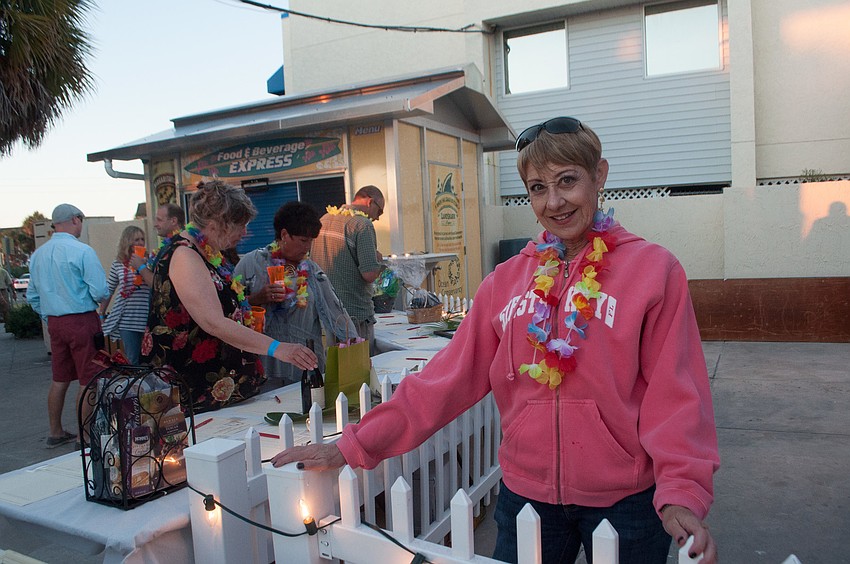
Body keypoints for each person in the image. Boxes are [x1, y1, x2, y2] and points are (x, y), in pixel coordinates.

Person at [272, 118, 720, 563]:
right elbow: (443, 381)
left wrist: (682, 490)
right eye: (538, 187)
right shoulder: (505, 282)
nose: (555, 201)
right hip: (527, 498)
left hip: (627, 502)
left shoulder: (654, 271)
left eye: (568, 181)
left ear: (598, 175)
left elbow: (677, 393)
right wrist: (350, 445)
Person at [141, 180, 318, 414]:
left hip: (216, 390)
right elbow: (213, 322)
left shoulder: (207, 252)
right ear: (216, 224)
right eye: (240, 226)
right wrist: (278, 348)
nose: (245, 233)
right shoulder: (184, 255)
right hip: (192, 392)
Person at [234, 201, 358, 386]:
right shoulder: (251, 264)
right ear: (284, 235)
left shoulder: (312, 271)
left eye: (310, 241)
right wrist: (257, 299)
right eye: (303, 240)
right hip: (264, 365)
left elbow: (336, 310)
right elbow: (228, 311)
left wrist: (355, 348)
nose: (307, 247)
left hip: (303, 366)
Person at [27, 204, 109, 448]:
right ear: (75, 220)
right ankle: (84, 437)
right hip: (81, 319)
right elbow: (100, 290)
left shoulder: (39, 255)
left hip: (55, 321)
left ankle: (55, 431)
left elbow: (32, 296)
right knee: (89, 377)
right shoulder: (82, 251)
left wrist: (48, 314)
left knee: (60, 378)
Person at [311, 185, 385, 354]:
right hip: (353, 314)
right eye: (379, 211)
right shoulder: (362, 225)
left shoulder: (324, 219)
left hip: (324, 310)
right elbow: (369, 274)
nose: (378, 218)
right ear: (370, 202)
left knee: (332, 370)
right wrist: (377, 260)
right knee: (357, 371)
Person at [99, 226, 151, 364]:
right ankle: (135, 385)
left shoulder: (150, 261)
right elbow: (109, 289)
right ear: (128, 242)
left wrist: (143, 266)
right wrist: (102, 313)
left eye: (142, 239)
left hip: (147, 318)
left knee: (149, 359)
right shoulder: (118, 264)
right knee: (132, 359)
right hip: (127, 320)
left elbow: (156, 284)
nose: (140, 243)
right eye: (136, 240)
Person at [133, 203, 185, 288]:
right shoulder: (170, 244)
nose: (155, 224)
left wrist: (140, 266)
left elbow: (159, 285)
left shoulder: (178, 246)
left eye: (159, 220)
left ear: (173, 221)